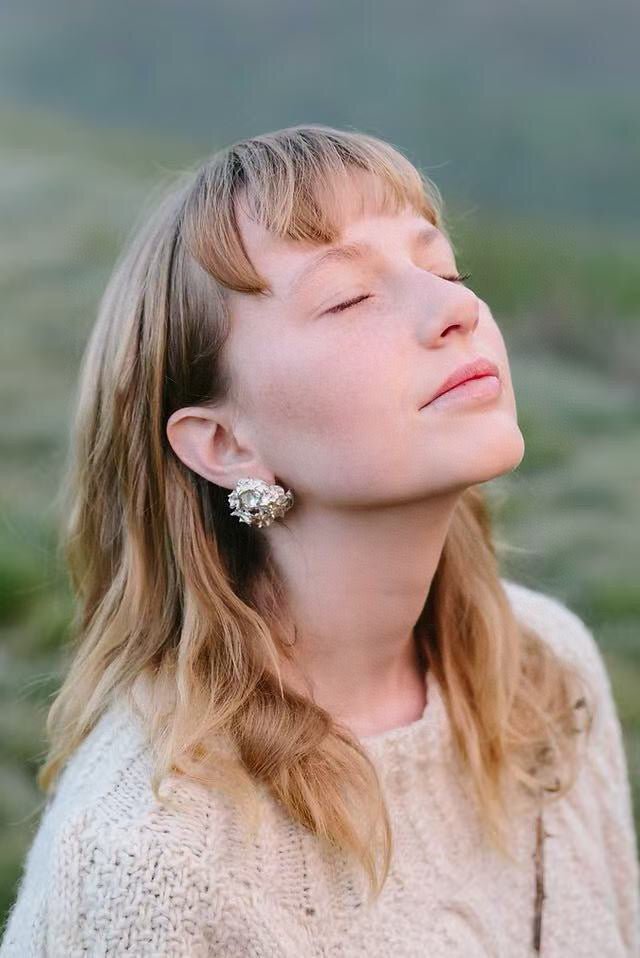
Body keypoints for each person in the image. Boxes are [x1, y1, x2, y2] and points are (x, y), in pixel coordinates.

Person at [1, 124, 638, 957]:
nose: (458, 310)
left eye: (444, 268)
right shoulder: (144, 864)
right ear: (226, 446)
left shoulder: (546, 675)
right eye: (348, 297)